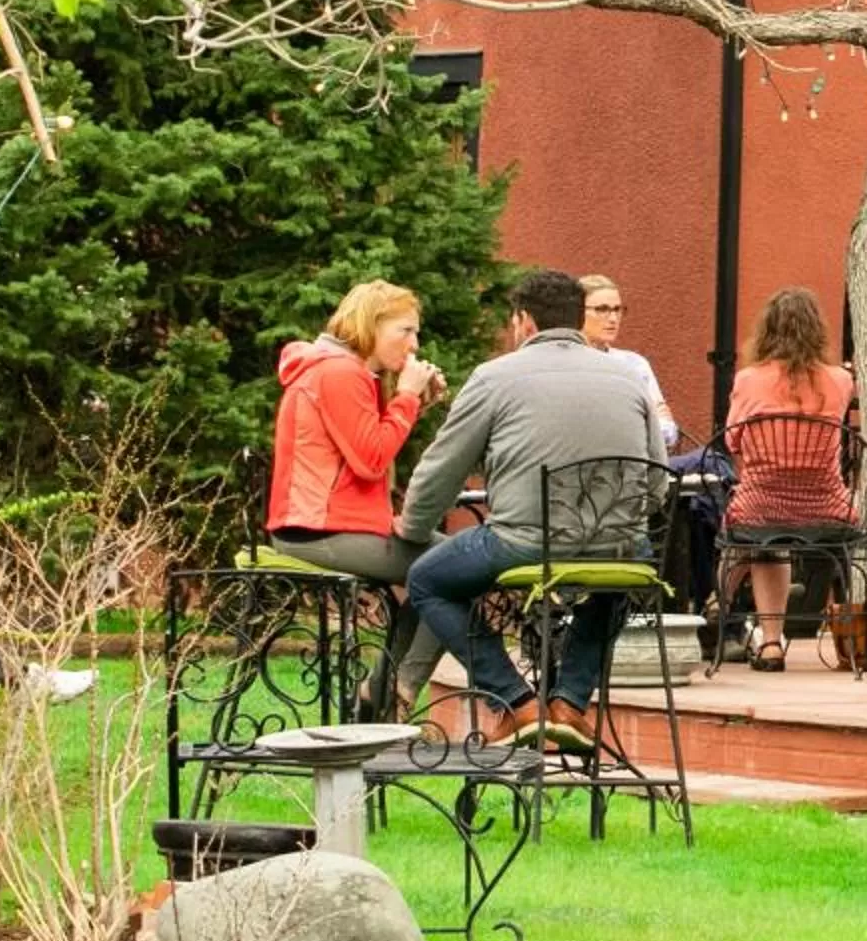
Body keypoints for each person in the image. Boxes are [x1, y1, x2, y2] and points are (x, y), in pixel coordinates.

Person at [398, 268, 659, 750]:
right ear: (578, 320)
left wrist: (412, 527)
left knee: (427, 580)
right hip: (619, 549)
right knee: (618, 580)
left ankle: (517, 703)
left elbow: (442, 469)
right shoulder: (628, 380)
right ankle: (570, 703)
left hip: (523, 546)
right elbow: (657, 480)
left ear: (523, 322)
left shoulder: (494, 377)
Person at [267, 278, 452, 718]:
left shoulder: (345, 370)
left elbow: (358, 453)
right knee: (455, 568)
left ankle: (381, 695)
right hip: (316, 530)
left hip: (328, 524)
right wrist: (406, 396)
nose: (414, 343)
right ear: (371, 326)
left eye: (416, 333)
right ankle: (393, 694)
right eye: (404, 330)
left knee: (448, 566)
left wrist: (414, 403)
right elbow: (372, 460)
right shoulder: (340, 371)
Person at [721, 287, 858, 672]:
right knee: (763, 530)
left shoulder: (749, 380)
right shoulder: (840, 380)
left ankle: (747, 629)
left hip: (762, 501)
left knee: (752, 531)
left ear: (767, 330)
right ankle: (733, 617)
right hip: (827, 504)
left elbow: (733, 439)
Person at [579, 274, 679, 452]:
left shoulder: (634, 364)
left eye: (617, 309)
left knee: (712, 461)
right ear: (578, 313)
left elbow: (669, 433)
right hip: (585, 464)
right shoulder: (567, 363)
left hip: (638, 464)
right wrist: (647, 421)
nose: (612, 318)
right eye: (602, 309)